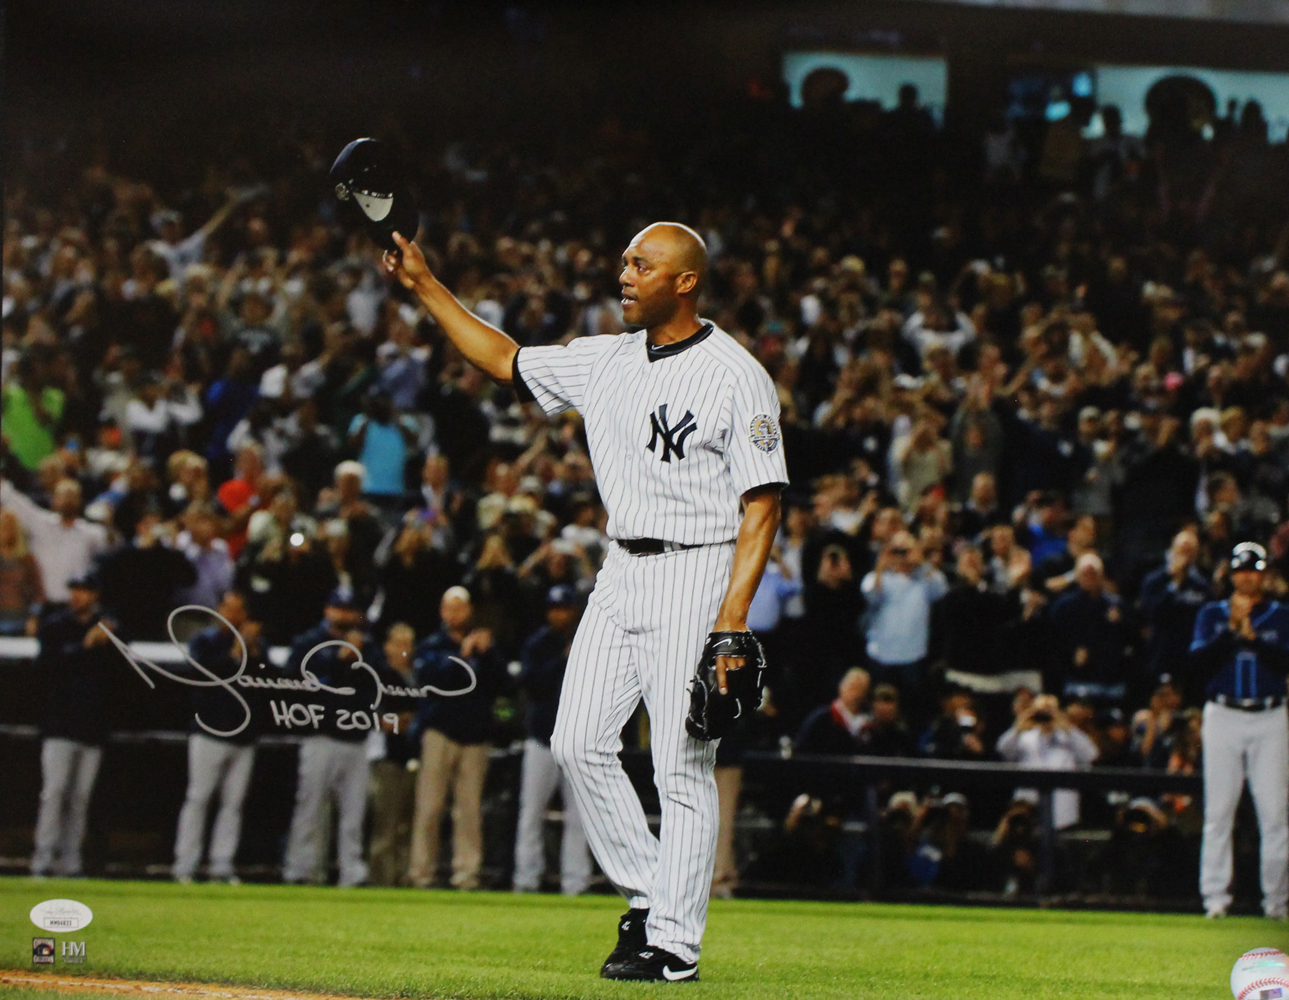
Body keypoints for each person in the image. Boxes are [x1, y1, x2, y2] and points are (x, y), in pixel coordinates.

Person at [386, 220, 785, 981]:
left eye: (642, 263)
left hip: (696, 567)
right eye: (625, 259)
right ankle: (647, 892)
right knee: (575, 742)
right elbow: (501, 357)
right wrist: (426, 285)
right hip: (620, 566)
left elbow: (762, 505)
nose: (624, 273)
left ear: (685, 281)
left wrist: (731, 620)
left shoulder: (735, 374)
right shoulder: (605, 359)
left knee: (679, 766)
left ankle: (672, 944)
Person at [1189, 542, 1288, 920]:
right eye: (1241, 569)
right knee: (1219, 810)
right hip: (1223, 713)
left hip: (1270, 714)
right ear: (1231, 574)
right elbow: (1198, 664)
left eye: (1254, 569)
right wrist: (1232, 632)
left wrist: (1251, 638)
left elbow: (1283, 664)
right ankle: (1214, 899)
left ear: (1264, 574)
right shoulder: (1212, 614)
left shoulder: (1280, 615)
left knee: (1275, 813)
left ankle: (1277, 903)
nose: (1248, 576)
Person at [281, 589, 387, 887]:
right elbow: (296, 683)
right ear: (328, 611)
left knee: (353, 813)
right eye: (339, 609)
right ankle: (302, 869)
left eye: (350, 610)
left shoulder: (368, 646)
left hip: (356, 739)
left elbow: (380, 683)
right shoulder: (309, 643)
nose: (345, 616)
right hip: (320, 735)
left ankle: (351, 871)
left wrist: (358, 659)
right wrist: (339, 662)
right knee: (311, 806)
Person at [408, 586, 501, 890]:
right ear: (442, 611)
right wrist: (462, 656)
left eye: (460, 608)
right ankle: (421, 873)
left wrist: (486, 655)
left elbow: (504, 684)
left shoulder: (485, 645)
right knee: (430, 807)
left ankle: (466, 874)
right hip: (440, 732)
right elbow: (429, 679)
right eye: (450, 608)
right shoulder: (432, 645)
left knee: (469, 810)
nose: (455, 614)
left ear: (469, 610)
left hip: (475, 736)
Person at [172, 590, 261, 883]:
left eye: (237, 610)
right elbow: (201, 675)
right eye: (227, 608)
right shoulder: (205, 642)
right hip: (209, 730)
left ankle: (222, 864)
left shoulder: (256, 646)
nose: (231, 615)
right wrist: (234, 653)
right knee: (198, 798)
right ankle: (186, 863)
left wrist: (253, 651)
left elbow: (270, 680)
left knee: (233, 803)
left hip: (243, 736)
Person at [30, 573, 116, 877]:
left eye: (84, 591)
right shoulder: (56, 626)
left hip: (91, 725)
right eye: (75, 591)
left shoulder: (109, 629)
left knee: (80, 798)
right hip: (59, 722)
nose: (77, 597)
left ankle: (71, 860)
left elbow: (119, 676)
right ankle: (42, 859)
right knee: (53, 792)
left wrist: (107, 642)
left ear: (95, 595)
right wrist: (85, 645)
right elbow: (46, 667)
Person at [512, 585, 592, 896]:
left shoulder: (587, 641)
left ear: (572, 610)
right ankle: (526, 879)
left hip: (575, 741)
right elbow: (532, 685)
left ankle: (576, 882)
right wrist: (563, 659)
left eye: (564, 608)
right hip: (542, 739)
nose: (559, 613)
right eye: (554, 608)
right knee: (531, 813)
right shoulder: (538, 644)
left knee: (579, 817)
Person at [860, 530, 948, 727]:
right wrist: (881, 566)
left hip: (913, 656)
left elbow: (941, 590)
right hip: (881, 655)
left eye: (905, 550)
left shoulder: (926, 579)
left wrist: (921, 562)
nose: (902, 555)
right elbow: (871, 596)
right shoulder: (876, 577)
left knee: (913, 711)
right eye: (897, 550)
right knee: (879, 710)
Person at [1, 477, 108, 613]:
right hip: (45, 604)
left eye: (72, 496)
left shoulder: (91, 534)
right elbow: (14, 500)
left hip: (76, 607)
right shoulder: (40, 524)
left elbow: (112, 547)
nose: (67, 500)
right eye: (62, 495)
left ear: (80, 501)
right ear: (53, 499)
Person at [996, 693, 1099, 830]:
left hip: (1062, 813)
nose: (1045, 715)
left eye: (1049, 710)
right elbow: (1002, 750)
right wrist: (1018, 727)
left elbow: (1091, 755)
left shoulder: (1069, 737)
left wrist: (1066, 726)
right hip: (1028, 809)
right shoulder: (1024, 736)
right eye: (1040, 711)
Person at [367, 622, 420, 887]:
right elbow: (377, 719)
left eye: (408, 643)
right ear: (387, 646)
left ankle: (403, 877)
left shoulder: (416, 677)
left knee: (408, 825)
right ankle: (380, 880)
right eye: (398, 643)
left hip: (413, 756)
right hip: (387, 758)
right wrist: (401, 721)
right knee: (385, 824)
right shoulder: (378, 676)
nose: (403, 649)